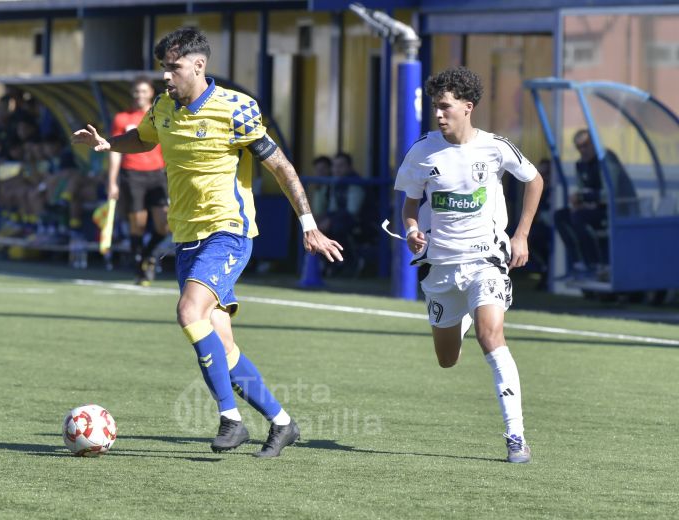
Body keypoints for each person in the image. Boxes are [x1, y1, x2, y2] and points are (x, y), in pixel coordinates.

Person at [73, 27, 343, 457]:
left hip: (228, 231)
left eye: (174, 68)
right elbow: (143, 138)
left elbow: (282, 168)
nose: (166, 77)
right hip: (187, 238)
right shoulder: (163, 107)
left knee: (188, 311)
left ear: (199, 66)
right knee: (222, 344)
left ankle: (230, 419)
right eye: (164, 68)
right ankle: (282, 422)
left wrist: (309, 224)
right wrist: (109, 144)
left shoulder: (236, 110)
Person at [394, 66, 544, 463]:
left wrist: (522, 235)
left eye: (445, 107)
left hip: (486, 260)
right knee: (447, 360)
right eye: (435, 107)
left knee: (490, 335)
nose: (438, 114)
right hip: (441, 266)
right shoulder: (422, 151)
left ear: (467, 107)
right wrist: (412, 229)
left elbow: (534, 180)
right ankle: (459, 318)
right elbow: (410, 204)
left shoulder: (496, 147)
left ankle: (516, 437)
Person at [107, 77, 169, 285]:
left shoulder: (160, 114)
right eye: (136, 91)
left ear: (151, 93)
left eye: (143, 91)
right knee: (138, 226)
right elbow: (115, 150)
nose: (139, 95)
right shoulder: (122, 118)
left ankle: (148, 256)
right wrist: (112, 181)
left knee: (163, 225)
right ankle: (140, 268)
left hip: (158, 175)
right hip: (132, 175)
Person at [554, 129, 637, 276]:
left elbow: (610, 193)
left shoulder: (605, 160)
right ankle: (578, 262)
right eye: (579, 147)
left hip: (615, 211)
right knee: (560, 215)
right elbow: (582, 190)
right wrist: (579, 201)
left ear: (594, 143)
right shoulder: (580, 164)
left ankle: (595, 263)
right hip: (593, 209)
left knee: (578, 217)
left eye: (586, 145)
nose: (583, 150)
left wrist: (584, 198)